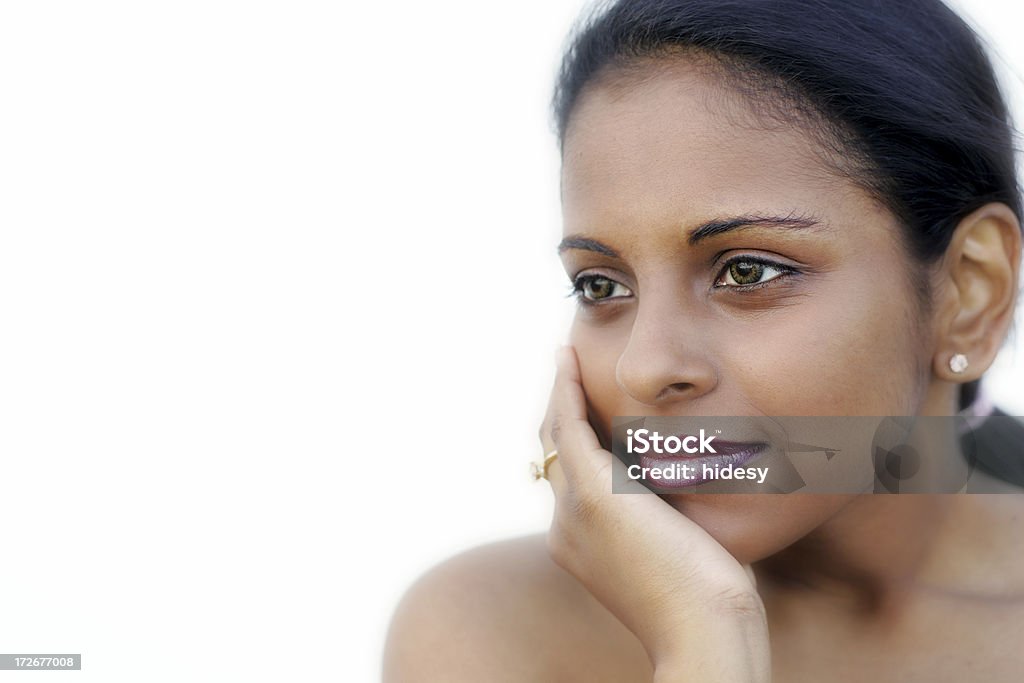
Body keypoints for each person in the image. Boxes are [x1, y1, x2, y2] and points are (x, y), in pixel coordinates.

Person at [383, 0, 1024, 680]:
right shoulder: (493, 631)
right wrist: (702, 634)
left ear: (969, 291)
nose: (646, 366)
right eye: (602, 286)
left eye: (748, 271)